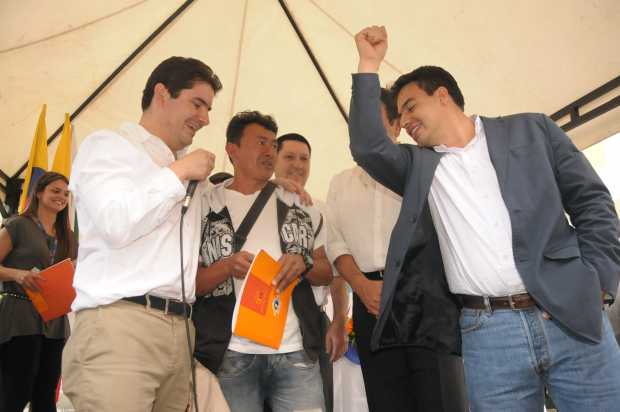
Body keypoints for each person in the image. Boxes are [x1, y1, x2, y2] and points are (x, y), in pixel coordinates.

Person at [349, 26, 620, 411]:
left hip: (568, 315)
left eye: (409, 106)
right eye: (400, 114)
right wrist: (368, 64)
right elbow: (368, 146)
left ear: (442, 96)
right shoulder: (418, 167)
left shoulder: (532, 128)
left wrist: (600, 283)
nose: (404, 120)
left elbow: (592, 202)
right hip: (488, 335)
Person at [61, 56, 222, 412]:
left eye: (208, 109)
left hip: (180, 330)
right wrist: (178, 173)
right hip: (120, 326)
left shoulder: (188, 168)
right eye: (197, 103)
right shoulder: (108, 146)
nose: (205, 118)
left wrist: (281, 188)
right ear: (162, 93)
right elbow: (116, 223)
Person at [327, 89, 467, 411]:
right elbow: (335, 243)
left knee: (439, 397)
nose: (362, 128)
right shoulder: (340, 183)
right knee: (386, 399)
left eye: (371, 120)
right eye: (356, 121)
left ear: (395, 124)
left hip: (426, 300)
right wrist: (361, 285)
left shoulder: (425, 169)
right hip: (368, 302)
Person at [193, 110, 332, 412]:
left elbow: (327, 271)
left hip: (295, 353)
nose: (270, 151)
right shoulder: (205, 204)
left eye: (273, 144)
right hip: (229, 354)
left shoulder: (300, 203)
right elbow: (191, 285)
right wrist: (226, 267)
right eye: (261, 143)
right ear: (232, 150)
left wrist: (305, 263)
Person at [274, 132, 348, 412]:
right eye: (289, 157)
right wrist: (271, 185)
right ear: (273, 159)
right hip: (263, 321)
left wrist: (339, 320)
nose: (297, 164)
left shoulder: (322, 210)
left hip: (310, 325)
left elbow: (336, 273)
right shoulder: (258, 199)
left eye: (304, 158)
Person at [0, 171, 77, 412]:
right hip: (20, 317)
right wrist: (18, 274)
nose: (61, 197)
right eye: (55, 191)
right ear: (39, 192)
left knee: (46, 396)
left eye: (66, 193)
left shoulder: (68, 236)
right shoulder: (18, 225)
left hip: (55, 321)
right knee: (16, 393)